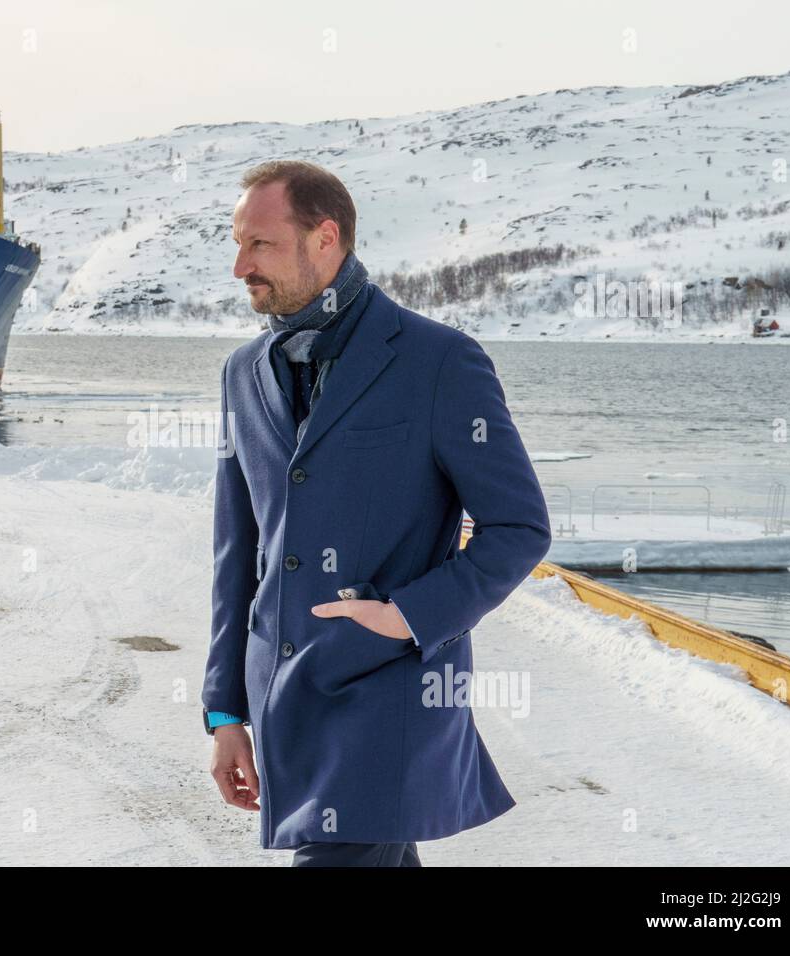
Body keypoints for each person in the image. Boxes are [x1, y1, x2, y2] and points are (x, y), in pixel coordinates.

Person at [202, 160, 552, 866]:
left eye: (260, 244)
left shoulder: (439, 362)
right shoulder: (243, 373)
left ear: (325, 238)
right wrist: (225, 711)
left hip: (391, 700)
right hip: (285, 702)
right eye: (237, 244)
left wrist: (407, 615)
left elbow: (520, 528)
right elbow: (236, 550)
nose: (240, 265)